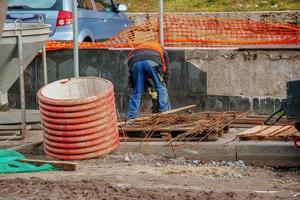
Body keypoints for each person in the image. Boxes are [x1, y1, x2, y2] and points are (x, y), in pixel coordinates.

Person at [126, 42, 171, 120]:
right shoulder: (161, 49)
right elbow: (166, 70)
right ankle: (164, 114)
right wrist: (165, 84)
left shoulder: (138, 48)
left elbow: (131, 73)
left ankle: (131, 116)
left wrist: (134, 85)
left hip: (135, 62)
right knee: (161, 88)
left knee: (137, 92)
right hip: (152, 61)